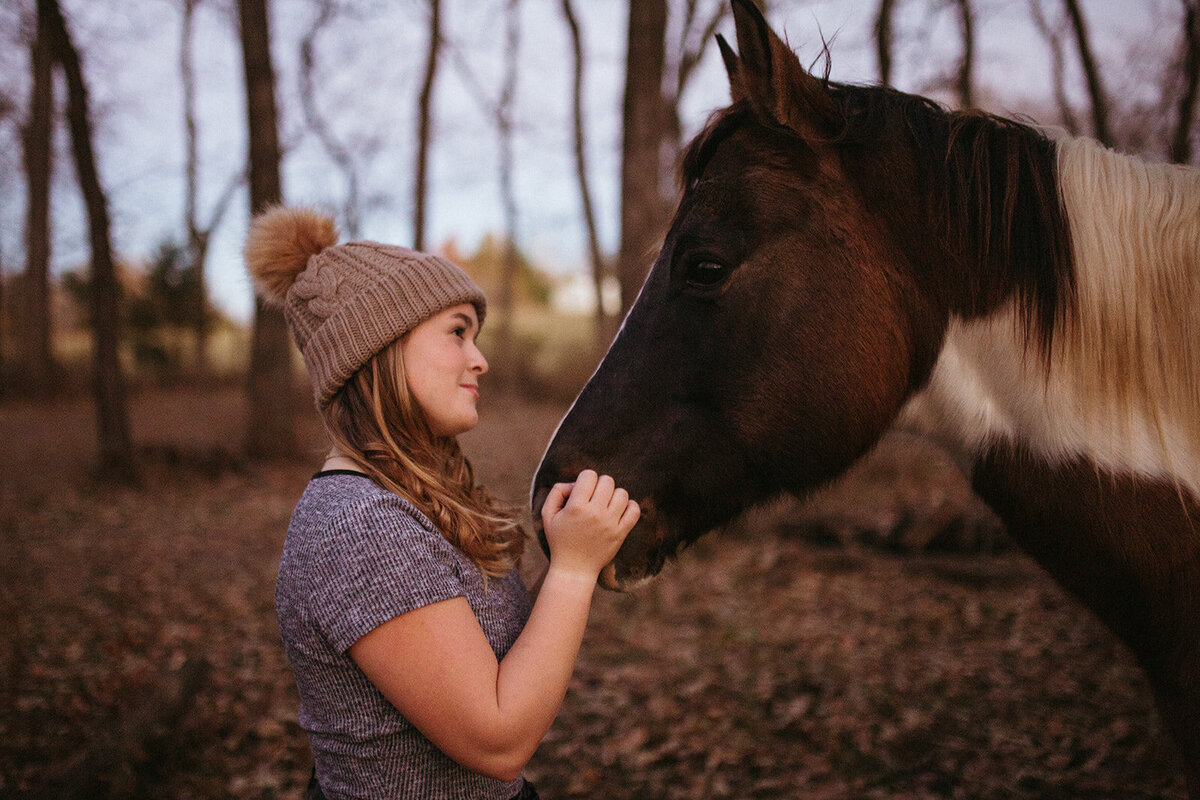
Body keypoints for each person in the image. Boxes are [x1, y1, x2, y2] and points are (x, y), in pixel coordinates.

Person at [244, 206, 641, 800]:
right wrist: (576, 572)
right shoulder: (360, 528)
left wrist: (569, 552)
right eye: (457, 331)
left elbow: (495, 658)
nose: (479, 358)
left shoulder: (402, 501)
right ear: (377, 348)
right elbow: (498, 741)